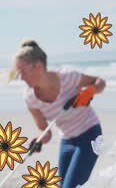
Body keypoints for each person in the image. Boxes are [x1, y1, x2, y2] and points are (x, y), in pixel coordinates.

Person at [8, 40, 106, 188]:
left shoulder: (68, 77)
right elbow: (45, 132)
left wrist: (90, 91)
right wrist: (38, 140)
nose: (21, 78)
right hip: (67, 141)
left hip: (90, 134)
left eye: (23, 72)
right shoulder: (30, 98)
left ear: (39, 66)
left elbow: (100, 82)